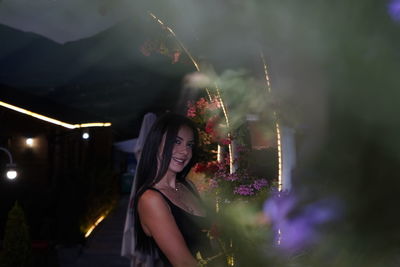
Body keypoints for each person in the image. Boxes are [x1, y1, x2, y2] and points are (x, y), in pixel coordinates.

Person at [122, 113, 211, 267]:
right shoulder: (151, 199)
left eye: (189, 145)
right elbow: (183, 263)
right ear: (156, 144)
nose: (185, 152)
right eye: (176, 142)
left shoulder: (187, 186)